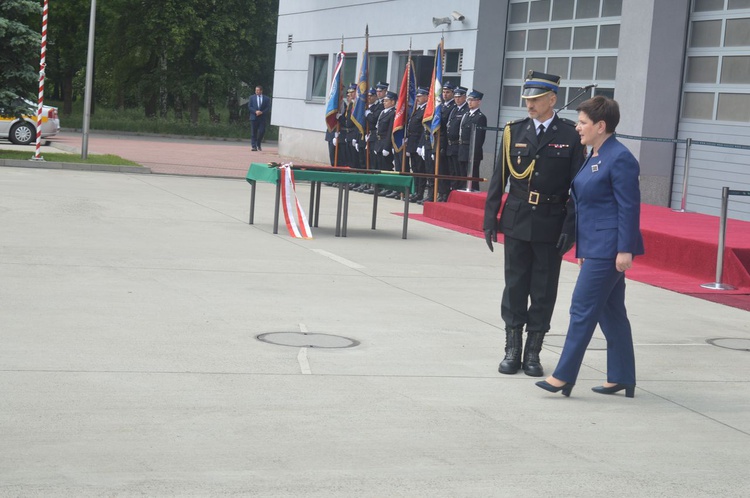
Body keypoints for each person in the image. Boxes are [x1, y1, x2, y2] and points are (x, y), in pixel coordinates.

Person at [536, 96, 644, 398]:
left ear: (601, 125)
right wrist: (583, 248)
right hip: (596, 246)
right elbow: (588, 207)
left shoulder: (619, 158)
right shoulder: (595, 155)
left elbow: (629, 207)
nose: (578, 127)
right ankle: (622, 376)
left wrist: (626, 249)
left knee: (581, 309)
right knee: (611, 313)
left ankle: (563, 375)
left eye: (583, 122)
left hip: (609, 248)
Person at [483, 71, 585, 377]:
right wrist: (490, 218)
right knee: (515, 287)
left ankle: (533, 352)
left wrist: (571, 227)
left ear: (552, 100)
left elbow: (578, 188)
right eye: (527, 100)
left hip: (551, 223)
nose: (529, 105)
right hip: (516, 219)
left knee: (543, 290)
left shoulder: (569, 135)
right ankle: (512, 349)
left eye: (536, 100)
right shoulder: (514, 130)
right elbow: (499, 177)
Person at [458, 90, 487, 191]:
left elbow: (479, 139)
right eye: (469, 100)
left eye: (473, 100)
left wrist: (473, 153)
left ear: (479, 102)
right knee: (462, 175)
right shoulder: (466, 115)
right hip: (462, 149)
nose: (470, 102)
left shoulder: (480, 117)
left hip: (472, 151)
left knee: (472, 177)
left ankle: (473, 194)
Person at [406, 87, 429, 202]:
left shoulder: (426, 110)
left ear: (426, 97)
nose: (418, 98)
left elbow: (422, 130)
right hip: (412, 142)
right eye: (417, 96)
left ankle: (420, 193)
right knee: (414, 168)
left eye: (420, 96)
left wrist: (421, 145)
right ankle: (415, 192)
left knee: (420, 170)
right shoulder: (417, 109)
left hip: (418, 142)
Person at [445, 86, 468, 194]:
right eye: (455, 97)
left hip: (458, 146)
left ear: (464, 97)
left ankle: (458, 191)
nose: (457, 99)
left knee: (459, 172)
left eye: (459, 97)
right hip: (450, 145)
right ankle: (452, 191)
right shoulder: (454, 109)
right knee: (452, 171)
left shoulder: (466, 110)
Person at [248, 85, 271, 151]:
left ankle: (258, 143)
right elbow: (250, 107)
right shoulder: (252, 98)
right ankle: (254, 146)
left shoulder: (266, 99)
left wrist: (262, 112)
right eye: (256, 90)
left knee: (262, 131)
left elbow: (268, 108)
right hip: (254, 117)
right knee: (253, 132)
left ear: (261, 91)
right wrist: (255, 111)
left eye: (258, 90)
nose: (256, 91)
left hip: (262, 117)